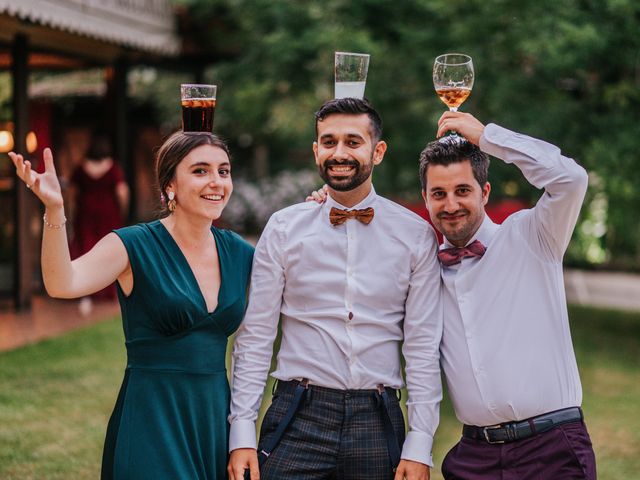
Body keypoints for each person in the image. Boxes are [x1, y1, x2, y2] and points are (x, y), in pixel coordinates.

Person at [10, 131, 254, 480]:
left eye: (224, 171)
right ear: (169, 184)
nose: (216, 182)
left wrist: (325, 209)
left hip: (214, 419)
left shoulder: (239, 252)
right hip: (152, 420)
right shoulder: (133, 245)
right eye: (200, 171)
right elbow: (63, 283)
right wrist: (55, 208)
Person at [227, 97, 443, 480]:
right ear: (315, 151)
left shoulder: (415, 236)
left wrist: (421, 442)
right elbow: (256, 335)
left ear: (377, 151)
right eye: (328, 142)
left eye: (352, 142)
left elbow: (423, 345)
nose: (339, 152)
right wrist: (241, 433)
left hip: (377, 416)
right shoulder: (282, 228)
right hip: (298, 412)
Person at [419, 111, 596, 479]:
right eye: (439, 193)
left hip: (551, 448)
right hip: (473, 457)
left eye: (462, 190)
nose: (450, 204)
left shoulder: (534, 236)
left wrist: (487, 137)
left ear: (485, 192)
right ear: (426, 198)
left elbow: (571, 179)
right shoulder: (425, 271)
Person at [68, 132, 129, 311]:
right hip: (108, 212)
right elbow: (122, 192)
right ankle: (107, 289)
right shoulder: (113, 167)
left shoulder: (81, 167)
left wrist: (72, 210)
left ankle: (85, 289)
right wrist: (122, 210)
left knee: (86, 247)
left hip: (85, 212)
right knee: (110, 248)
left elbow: (71, 192)